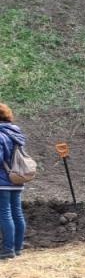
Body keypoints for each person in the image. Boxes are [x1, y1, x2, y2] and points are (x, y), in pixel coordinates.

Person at [0, 103, 27, 260]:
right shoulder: (15, 133)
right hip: (17, 179)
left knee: (4, 214)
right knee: (17, 212)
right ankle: (17, 247)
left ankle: (7, 250)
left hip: (2, 181)